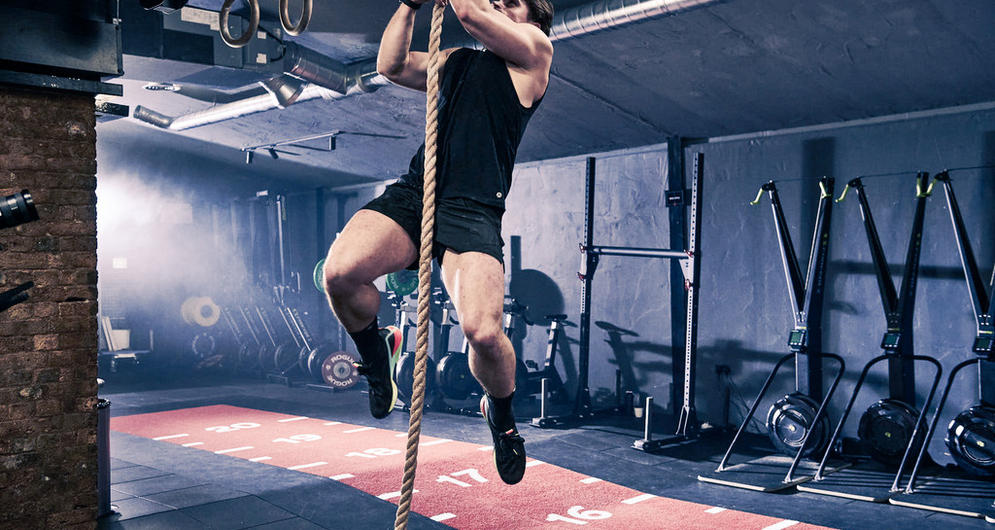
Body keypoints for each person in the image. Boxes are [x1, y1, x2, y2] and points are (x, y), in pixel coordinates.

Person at [322, 0, 553, 485]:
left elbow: (469, 14)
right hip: (417, 192)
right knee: (340, 274)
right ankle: (375, 347)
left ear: (534, 19)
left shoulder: (534, 52)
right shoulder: (456, 61)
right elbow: (392, 65)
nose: (498, 4)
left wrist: (475, 7)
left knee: (485, 334)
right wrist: (408, 6)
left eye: (511, 2)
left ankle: (503, 415)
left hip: (473, 208)